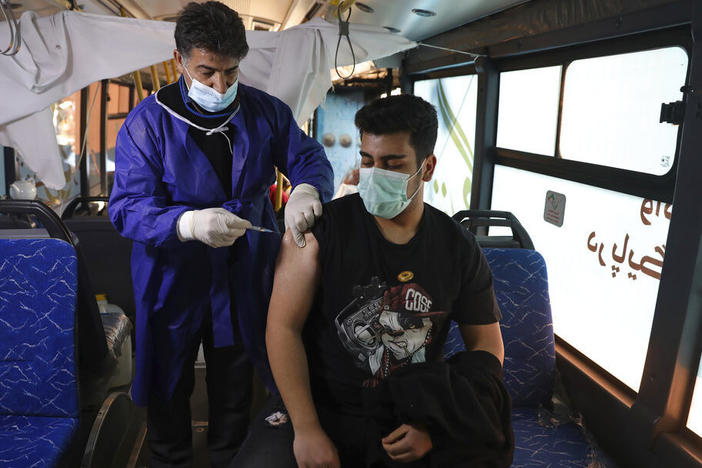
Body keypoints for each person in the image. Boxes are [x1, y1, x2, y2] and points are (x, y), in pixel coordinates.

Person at [232, 94, 513, 468]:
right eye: (368, 161)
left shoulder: (457, 248)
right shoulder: (322, 231)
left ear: (426, 168)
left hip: (410, 410)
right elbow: (282, 328)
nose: (375, 174)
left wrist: (436, 424)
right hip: (321, 405)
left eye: (393, 164)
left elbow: (487, 350)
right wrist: (307, 429)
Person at [108, 2, 333, 467]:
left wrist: (307, 188)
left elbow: (307, 156)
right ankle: (169, 457)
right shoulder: (145, 125)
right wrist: (187, 224)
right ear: (180, 61)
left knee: (236, 372)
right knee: (168, 379)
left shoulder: (263, 112)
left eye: (230, 73)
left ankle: (229, 454)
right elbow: (127, 209)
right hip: (171, 274)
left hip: (242, 269)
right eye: (206, 72)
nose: (220, 86)